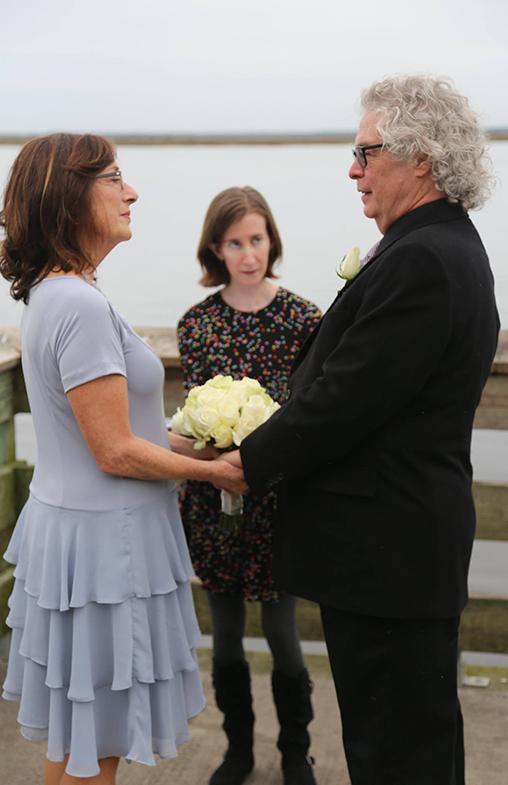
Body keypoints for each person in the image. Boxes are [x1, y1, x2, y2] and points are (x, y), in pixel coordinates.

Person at [225, 76, 500, 785]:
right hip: (398, 556)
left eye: (365, 152)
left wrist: (245, 463)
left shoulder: (424, 258)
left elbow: (343, 400)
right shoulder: (439, 245)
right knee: (408, 749)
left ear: (421, 158)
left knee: (396, 757)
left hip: (390, 560)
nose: (353, 170)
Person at [0, 133, 246, 785]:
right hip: (106, 553)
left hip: (77, 536)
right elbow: (113, 451)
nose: (131, 191)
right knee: (99, 745)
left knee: (78, 740)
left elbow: (122, 432)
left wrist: (200, 443)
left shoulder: (56, 293)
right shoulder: (77, 304)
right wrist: (213, 472)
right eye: (113, 179)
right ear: (69, 197)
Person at [176, 186, 322, 785]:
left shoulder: (303, 319)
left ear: (271, 241)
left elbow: (313, 411)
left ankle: (295, 754)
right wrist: (218, 454)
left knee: (284, 633)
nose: (248, 254)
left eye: (256, 240)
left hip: (279, 502)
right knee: (227, 634)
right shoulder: (197, 324)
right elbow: (190, 421)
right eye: (234, 243)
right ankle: (237, 751)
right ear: (216, 248)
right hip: (213, 500)